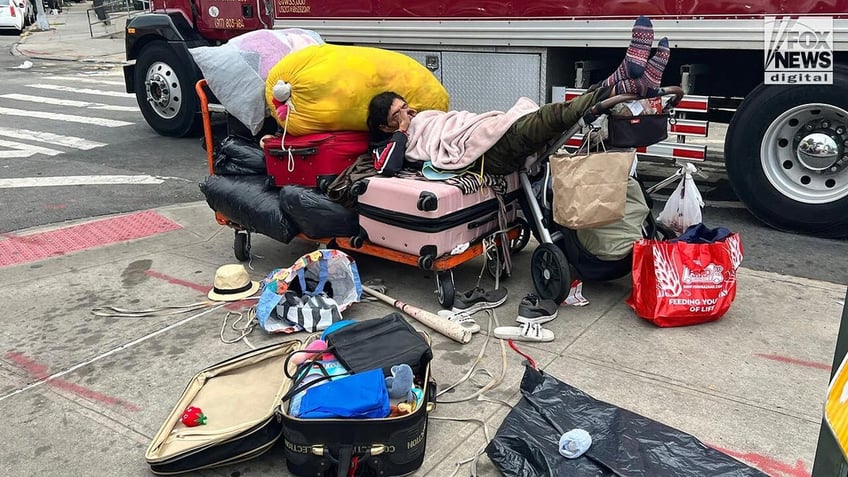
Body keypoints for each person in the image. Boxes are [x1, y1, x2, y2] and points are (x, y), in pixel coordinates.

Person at [367, 16, 670, 177]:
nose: (408, 113)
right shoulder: (388, 143)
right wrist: (404, 132)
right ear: (385, 126)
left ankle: (623, 83)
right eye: (398, 114)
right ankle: (620, 84)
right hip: (488, 152)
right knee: (551, 117)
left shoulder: (423, 117)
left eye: (406, 107)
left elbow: (450, 123)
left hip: (482, 132)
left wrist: (417, 118)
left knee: (554, 120)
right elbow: (389, 166)